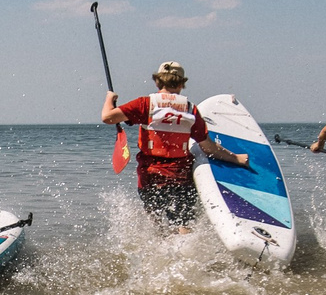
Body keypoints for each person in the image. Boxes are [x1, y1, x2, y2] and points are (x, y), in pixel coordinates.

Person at [99, 61, 252, 228]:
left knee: (156, 224)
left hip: (150, 176)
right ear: (181, 84)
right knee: (183, 225)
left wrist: (109, 98)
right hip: (180, 177)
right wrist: (236, 158)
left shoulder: (145, 105)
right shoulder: (190, 109)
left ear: (158, 81)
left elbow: (107, 117)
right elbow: (208, 148)